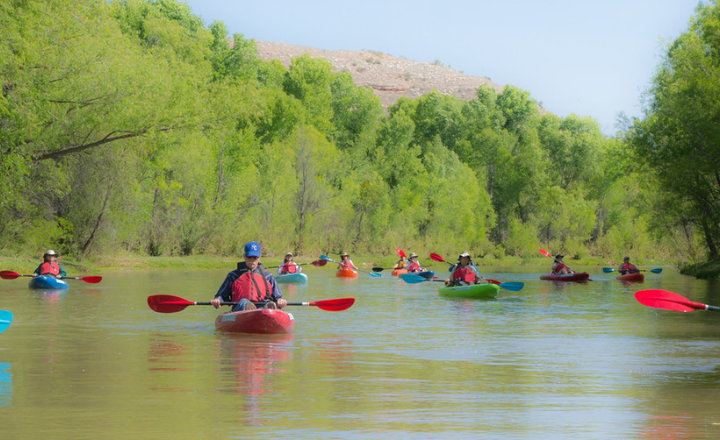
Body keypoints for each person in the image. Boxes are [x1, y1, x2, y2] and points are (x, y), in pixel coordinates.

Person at [211, 241, 287, 311]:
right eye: (249, 257)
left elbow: (278, 296)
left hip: (262, 309)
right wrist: (217, 301)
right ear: (244, 256)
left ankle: (267, 310)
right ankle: (250, 309)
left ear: (259, 257)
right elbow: (220, 296)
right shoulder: (233, 276)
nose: (252, 260)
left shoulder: (268, 277)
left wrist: (280, 300)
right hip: (240, 310)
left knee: (267, 304)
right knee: (244, 302)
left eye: (255, 257)